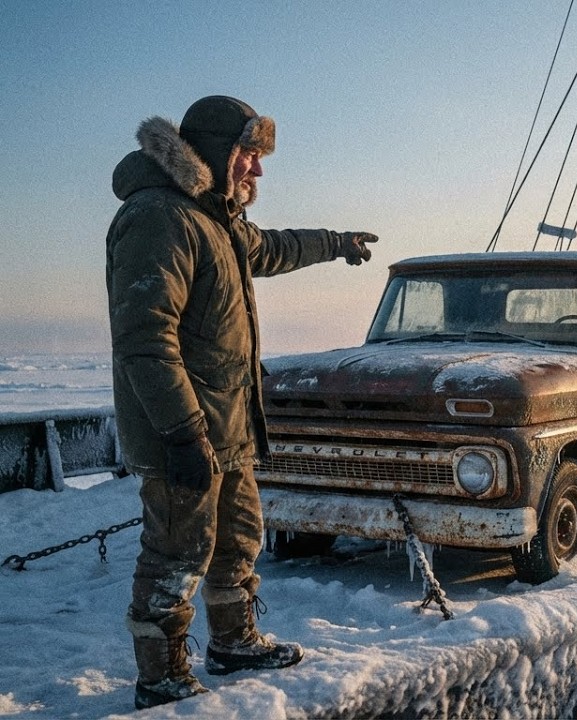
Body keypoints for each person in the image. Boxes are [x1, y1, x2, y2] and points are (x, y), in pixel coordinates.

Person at [105, 95, 379, 710]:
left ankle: (233, 640)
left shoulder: (216, 219)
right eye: (248, 154)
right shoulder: (161, 218)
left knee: (238, 539)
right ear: (212, 152)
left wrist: (336, 242)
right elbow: (146, 340)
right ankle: (161, 672)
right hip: (183, 430)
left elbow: (271, 248)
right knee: (177, 552)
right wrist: (182, 433)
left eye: (259, 157)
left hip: (227, 424)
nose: (257, 169)